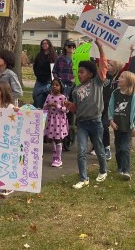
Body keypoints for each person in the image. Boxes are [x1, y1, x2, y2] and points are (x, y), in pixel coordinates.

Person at [64, 39, 108, 189]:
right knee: (81, 151)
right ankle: (83, 178)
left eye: (82, 72)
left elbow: (103, 65)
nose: (79, 74)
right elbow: (76, 108)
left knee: (99, 149)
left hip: (96, 122)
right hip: (82, 124)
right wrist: (69, 106)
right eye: (77, 72)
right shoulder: (75, 90)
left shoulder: (97, 82)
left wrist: (100, 47)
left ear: (90, 74)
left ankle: (103, 170)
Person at [108, 71, 135, 180]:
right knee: (118, 148)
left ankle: (127, 170)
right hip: (117, 126)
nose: (119, 78)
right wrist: (111, 120)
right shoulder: (115, 93)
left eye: (122, 77)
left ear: (128, 82)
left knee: (125, 148)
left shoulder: (134, 96)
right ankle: (120, 167)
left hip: (127, 126)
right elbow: (110, 107)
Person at [100, 60, 125, 160]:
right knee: (99, 125)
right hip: (101, 104)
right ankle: (98, 146)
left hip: (114, 106)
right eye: (108, 64)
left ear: (117, 68)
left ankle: (107, 148)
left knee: (104, 124)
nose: (108, 66)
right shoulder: (103, 75)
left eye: (111, 65)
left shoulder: (120, 77)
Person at [43, 79, 69, 167]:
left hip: (59, 121)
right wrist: (48, 105)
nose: (54, 86)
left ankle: (59, 158)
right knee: (51, 139)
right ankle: (54, 157)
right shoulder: (49, 96)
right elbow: (44, 107)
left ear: (61, 87)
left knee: (58, 139)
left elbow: (66, 110)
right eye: (53, 85)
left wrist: (57, 106)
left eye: (57, 85)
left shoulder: (63, 97)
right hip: (51, 120)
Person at [32, 39, 57, 108]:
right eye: (43, 44)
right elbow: (35, 66)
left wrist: (53, 80)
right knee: (35, 95)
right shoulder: (39, 55)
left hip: (48, 80)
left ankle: (42, 109)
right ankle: (36, 108)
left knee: (43, 96)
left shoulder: (53, 56)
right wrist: (37, 73)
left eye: (46, 43)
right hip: (39, 80)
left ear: (49, 45)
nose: (44, 45)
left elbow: (54, 68)